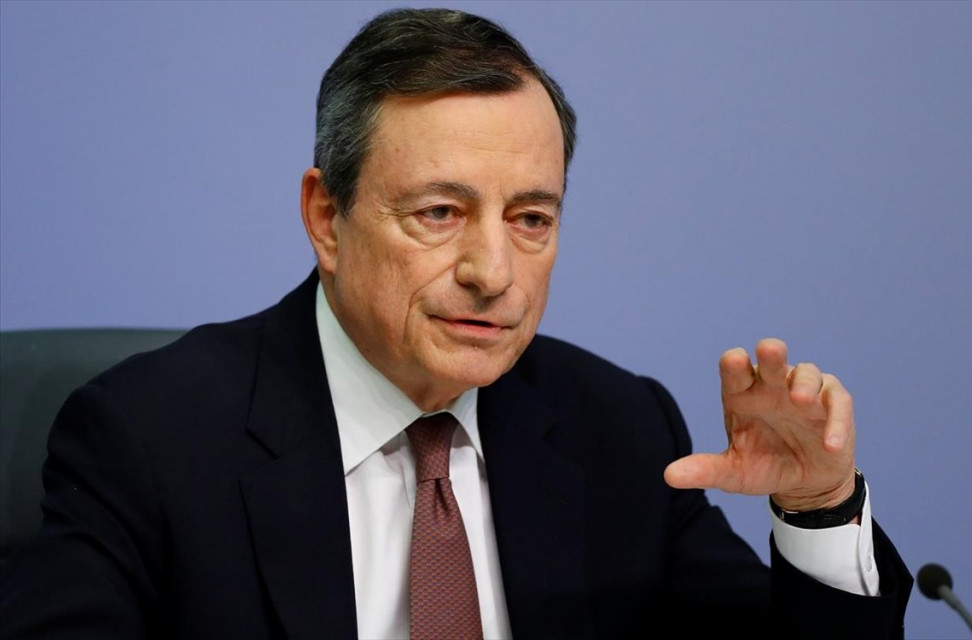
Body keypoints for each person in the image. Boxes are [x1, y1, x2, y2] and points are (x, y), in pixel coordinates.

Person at [0, 7, 912, 639]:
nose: (493, 272)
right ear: (326, 217)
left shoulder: (617, 428)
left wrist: (819, 508)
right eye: (439, 213)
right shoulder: (149, 436)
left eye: (531, 218)